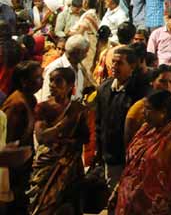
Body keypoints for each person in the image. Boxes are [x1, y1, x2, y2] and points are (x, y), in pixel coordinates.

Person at [113, 91, 171, 215]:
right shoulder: (145, 130)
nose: (144, 112)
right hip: (129, 204)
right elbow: (131, 164)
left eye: (149, 109)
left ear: (163, 112)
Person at [28, 67, 87, 215]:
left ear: (70, 86)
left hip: (70, 166)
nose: (52, 85)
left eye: (58, 81)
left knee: (68, 202)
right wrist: (65, 123)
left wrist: (68, 143)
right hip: (47, 163)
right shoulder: (44, 107)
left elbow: (84, 138)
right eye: (51, 81)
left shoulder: (77, 109)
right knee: (43, 204)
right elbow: (42, 137)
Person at [96, 45, 150, 191]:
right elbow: (99, 122)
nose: (114, 66)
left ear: (132, 66)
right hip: (111, 154)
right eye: (113, 62)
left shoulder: (140, 91)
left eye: (119, 63)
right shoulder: (104, 88)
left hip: (133, 156)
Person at [3, 61, 42, 211]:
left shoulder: (29, 99)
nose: (42, 81)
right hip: (13, 170)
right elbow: (9, 141)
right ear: (24, 81)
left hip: (23, 167)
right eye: (37, 77)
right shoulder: (16, 104)